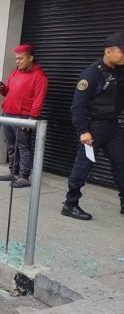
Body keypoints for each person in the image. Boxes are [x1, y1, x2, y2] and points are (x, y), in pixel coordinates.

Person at [62, 31, 124, 220]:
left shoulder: (120, 70)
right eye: (122, 52)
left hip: (113, 127)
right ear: (108, 51)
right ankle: (70, 204)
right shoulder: (91, 74)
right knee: (83, 167)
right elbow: (77, 106)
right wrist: (83, 131)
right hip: (92, 128)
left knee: (121, 164)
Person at [0, 44, 48, 188]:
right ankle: (13, 173)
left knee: (23, 147)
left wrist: (32, 118)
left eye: (21, 58)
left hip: (23, 117)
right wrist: (1, 88)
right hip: (8, 114)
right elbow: (8, 93)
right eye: (16, 59)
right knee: (11, 145)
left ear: (30, 58)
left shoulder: (39, 76)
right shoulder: (14, 73)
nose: (17, 61)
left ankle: (24, 177)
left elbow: (39, 99)